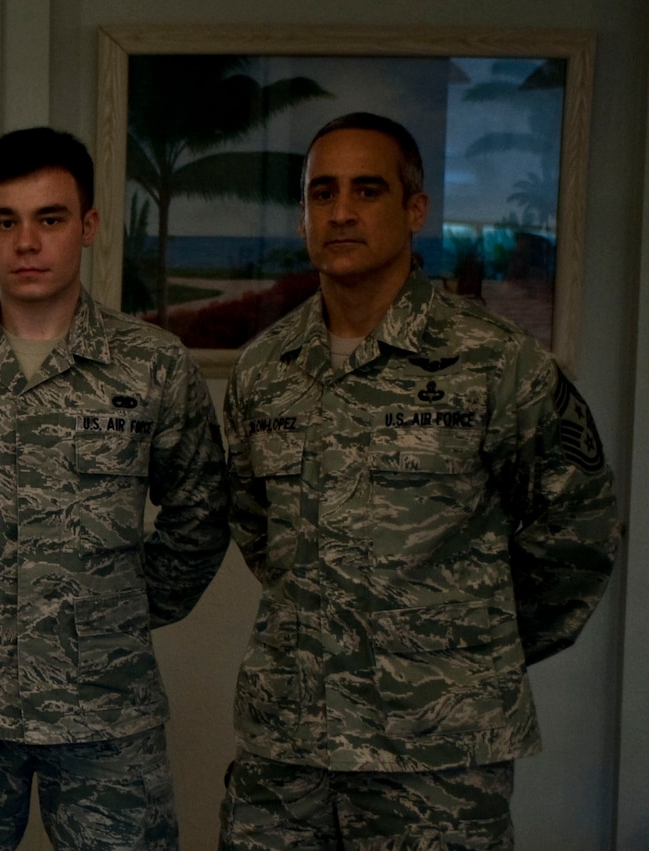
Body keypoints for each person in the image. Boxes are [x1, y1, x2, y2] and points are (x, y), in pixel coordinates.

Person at [219, 112, 619, 848]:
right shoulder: (264, 371)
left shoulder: (497, 363)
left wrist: (465, 648)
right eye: (322, 193)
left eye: (367, 190)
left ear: (415, 209)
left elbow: (580, 533)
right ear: (303, 215)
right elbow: (258, 529)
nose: (341, 212)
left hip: (440, 755)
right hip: (288, 749)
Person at [0, 127, 228, 849]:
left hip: (106, 705)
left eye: (50, 218)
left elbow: (201, 513)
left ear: (89, 225)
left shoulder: (152, 365)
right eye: (6, 221)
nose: (27, 243)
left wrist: (120, 609)